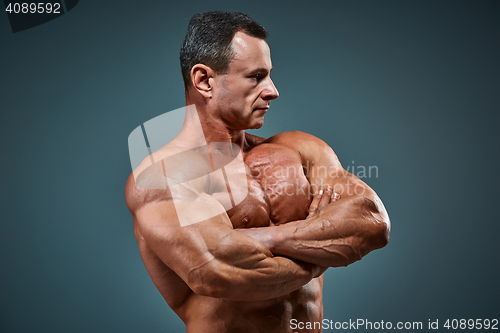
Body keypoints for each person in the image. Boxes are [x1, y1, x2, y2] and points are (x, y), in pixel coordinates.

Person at [125, 11, 390, 333]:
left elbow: (371, 224)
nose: (273, 90)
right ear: (204, 81)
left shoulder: (300, 148)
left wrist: (267, 237)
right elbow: (222, 273)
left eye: (269, 76)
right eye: (256, 77)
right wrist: (324, 246)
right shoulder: (164, 176)